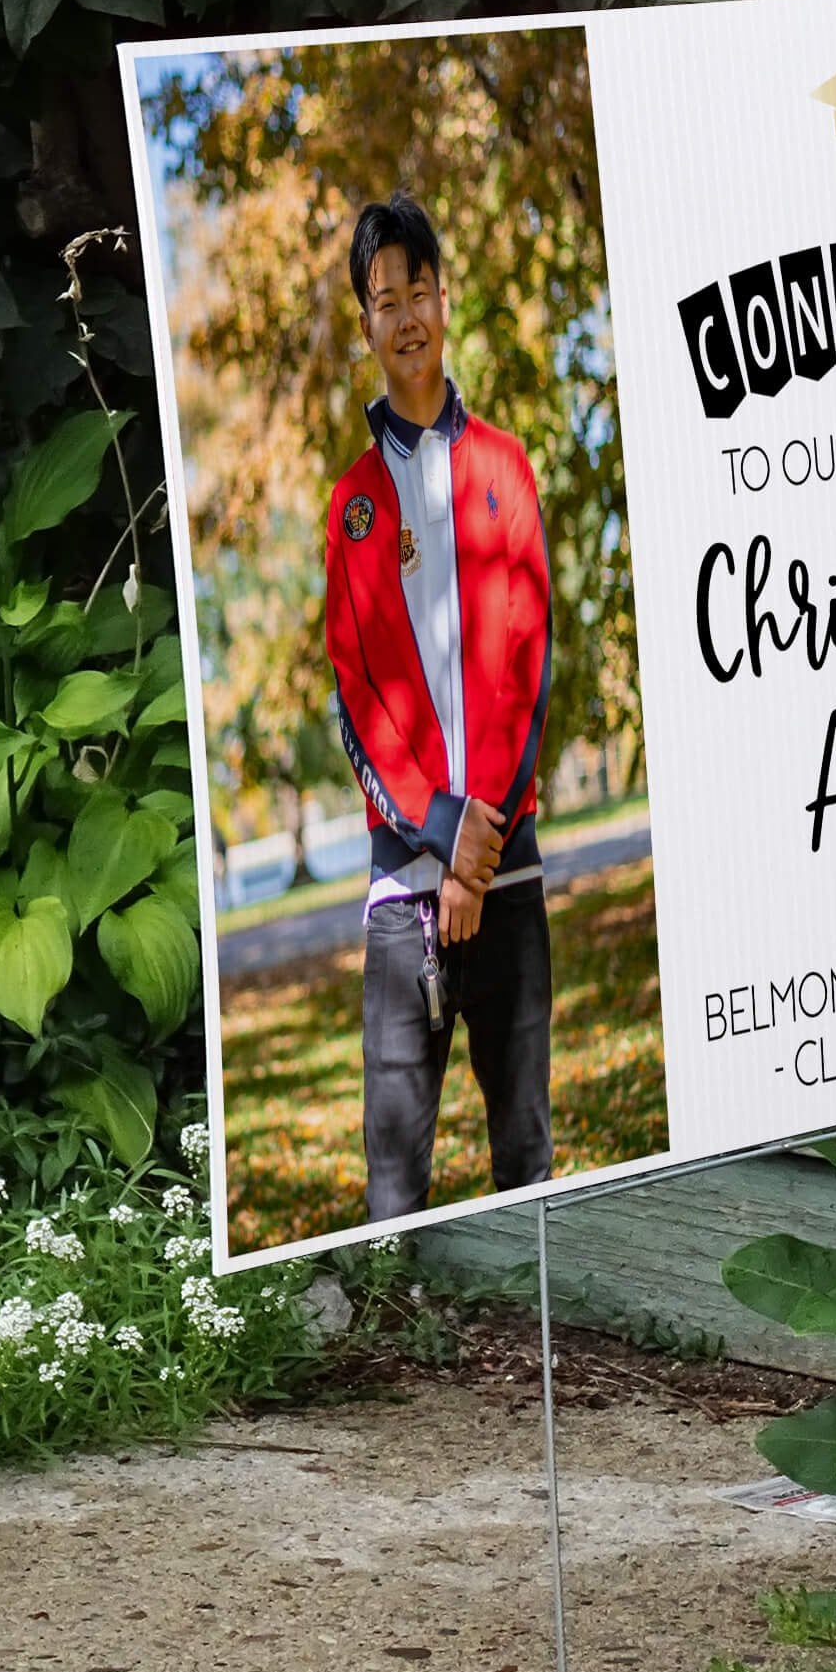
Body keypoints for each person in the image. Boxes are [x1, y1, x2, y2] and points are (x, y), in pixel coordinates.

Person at [322, 190, 555, 1223]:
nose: (406, 314)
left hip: (509, 873)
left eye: (419, 290)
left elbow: (528, 661)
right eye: (385, 299)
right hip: (399, 896)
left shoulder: (505, 464)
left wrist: (478, 851)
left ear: (444, 302)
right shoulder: (352, 505)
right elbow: (356, 696)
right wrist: (439, 832)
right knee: (393, 1196)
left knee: (527, 1167)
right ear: (366, 323)